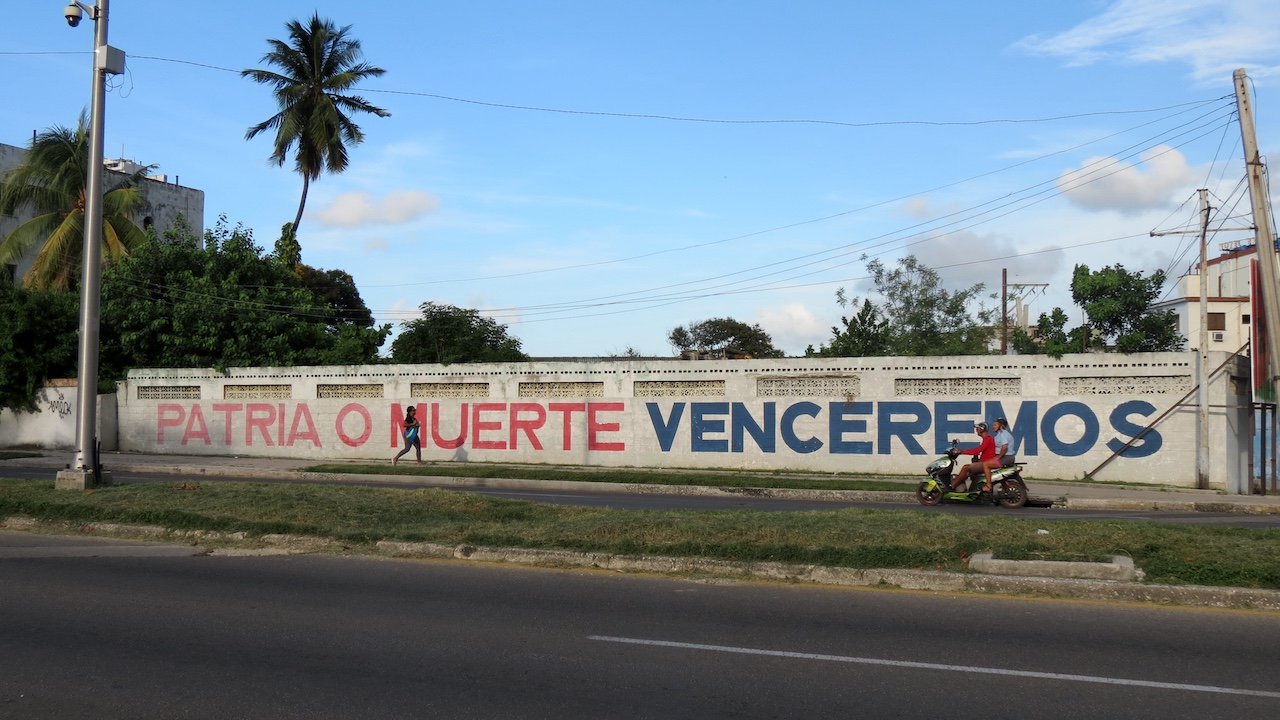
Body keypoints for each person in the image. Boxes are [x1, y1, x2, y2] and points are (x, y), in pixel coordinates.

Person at [951, 422, 996, 493]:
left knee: (966, 467)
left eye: (977, 428)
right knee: (967, 472)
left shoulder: (988, 439)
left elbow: (977, 451)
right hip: (983, 461)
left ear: (982, 429)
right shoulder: (987, 439)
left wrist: (961, 451)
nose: (976, 430)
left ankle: (952, 486)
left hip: (985, 463)